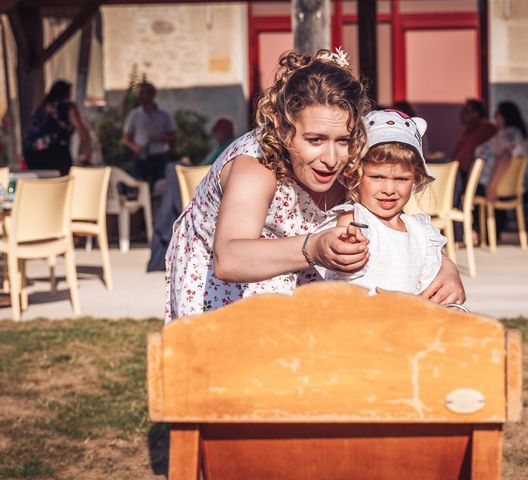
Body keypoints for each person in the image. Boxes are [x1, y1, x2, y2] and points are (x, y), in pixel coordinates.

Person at [165, 49, 465, 324]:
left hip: (303, 265)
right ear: (283, 130)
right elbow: (229, 258)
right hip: (230, 283)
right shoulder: (255, 168)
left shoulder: (352, 158)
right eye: (315, 140)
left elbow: (393, 227)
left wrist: (444, 267)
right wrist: (314, 247)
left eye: (344, 140)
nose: (331, 159)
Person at [317, 109, 447, 294]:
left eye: (401, 179)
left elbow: (428, 288)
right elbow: (341, 273)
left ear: (416, 179)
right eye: (377, 177)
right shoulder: (354, 220)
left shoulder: (420, 231)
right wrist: (347, 247)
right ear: (356, 176)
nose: (389, 190)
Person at [474, 101, 528, 239]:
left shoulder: (507, 134)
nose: (494, 116)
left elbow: (505, 157)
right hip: (501, 185)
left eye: (497, 113)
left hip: (491, 184)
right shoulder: (515, 134)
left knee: (457, 188)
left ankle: (469, 233)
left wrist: (492, 187)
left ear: (505, 116)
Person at [450, 99, 497, 243]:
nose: (462, 115)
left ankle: (460, 234)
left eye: (467, 111)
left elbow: (471, 156)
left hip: (476, 178)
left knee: (451, 191)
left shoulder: (486, 129)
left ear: (477, 114)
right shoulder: (467, 132)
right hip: (462, 173)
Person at [23, 80, 92, 175]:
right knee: (64, 181)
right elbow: (81, 129)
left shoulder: (43, 107)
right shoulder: (68, 107)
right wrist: (88, 153)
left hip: (31, 153)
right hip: (55, 152)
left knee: (42, 183)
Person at [122, 81, 177, 189]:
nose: (142, 97)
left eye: (144, 94)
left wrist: (159, 138)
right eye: (140, 94)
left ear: (152, 95)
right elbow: (126, 138)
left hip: (159, 156)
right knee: (141, 186)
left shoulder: (164, 115)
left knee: (160, 186)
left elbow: (173, 136)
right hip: (141, 156)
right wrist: (135, 147)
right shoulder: (135, 115)